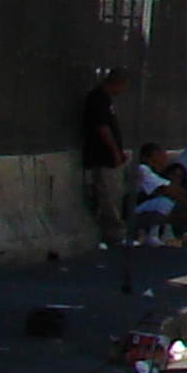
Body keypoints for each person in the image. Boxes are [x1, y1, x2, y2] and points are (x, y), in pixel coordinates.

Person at [82, 68, 129, 245]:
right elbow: (103, 128)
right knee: (108, 196)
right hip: (102, 156)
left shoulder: (105, 99)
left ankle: (112, 232)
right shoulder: (98, 99)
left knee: (113, 194)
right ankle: (114, 234)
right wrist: (115, 152)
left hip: (108, 156)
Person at [135, 143, 187, 247]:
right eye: (160, 155)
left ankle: (169, 234)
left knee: (181, 204)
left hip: (146, 206)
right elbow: (163, 189)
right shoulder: (142, 169)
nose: (164, 158)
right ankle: (151, 235)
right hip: (135, 211)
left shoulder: (155, 172)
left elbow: (173, 188)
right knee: (164, 202)